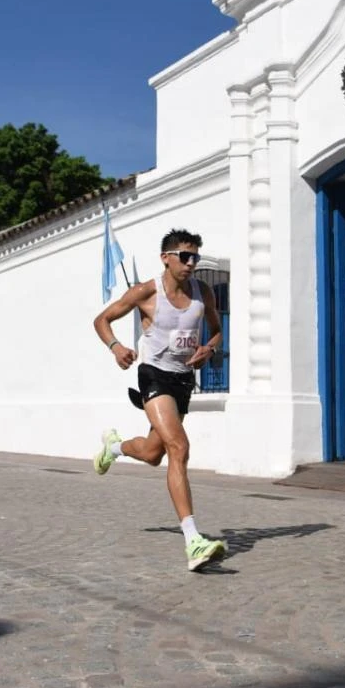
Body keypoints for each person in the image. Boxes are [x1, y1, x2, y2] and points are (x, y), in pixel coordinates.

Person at [92, 228, 228, 571]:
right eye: (184, 256)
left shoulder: (203, 293)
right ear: (166, 258)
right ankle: (194, 541)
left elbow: (216, 330)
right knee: (178, 448)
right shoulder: (145, 292)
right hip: (153, 376)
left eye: (195, 256)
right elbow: (102, 320)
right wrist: (116, 347)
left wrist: (208, 348)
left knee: (154, 454)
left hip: (183, 380)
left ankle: (115, 448)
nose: (191, 263)